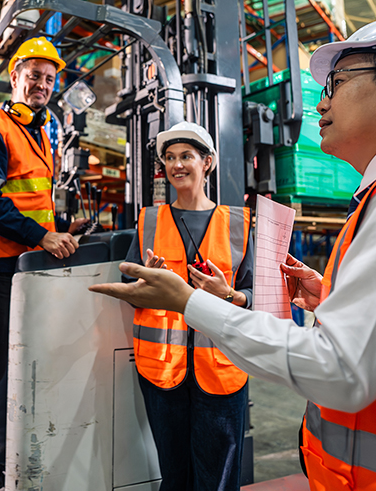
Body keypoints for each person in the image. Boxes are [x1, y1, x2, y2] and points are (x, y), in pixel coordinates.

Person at [90, 16, 376, 490]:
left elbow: (340, 370)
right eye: (167, 157)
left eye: (337, 82)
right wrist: (330, 298)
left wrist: (193, 303)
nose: (321, 102)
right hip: (168, 374)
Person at [0, 36, 88, 490]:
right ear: (15, 77)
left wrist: (64, 226)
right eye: (34, 75)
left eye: (49, 79)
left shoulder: (40, 133)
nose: (42, 84)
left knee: (13, 364)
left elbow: (32, 201)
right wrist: (43, 236)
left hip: (25, 267)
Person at [125, 121, 254, 491]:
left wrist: (228, 293)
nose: (177, 165)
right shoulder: (149, 221)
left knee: (217, 480)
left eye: (186, 156)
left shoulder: (238, 224)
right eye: (169, 158)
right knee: (175, 475)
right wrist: (144, 282)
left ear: (207, 162)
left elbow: (259, 298)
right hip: (163, 372)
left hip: (222, 371)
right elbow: (133, 293)